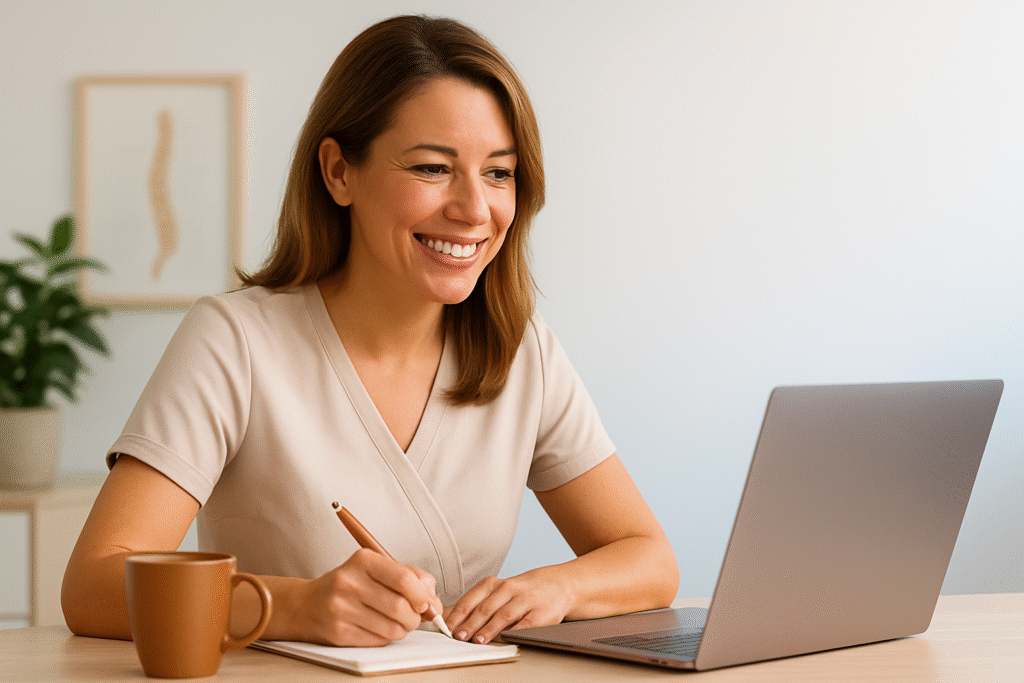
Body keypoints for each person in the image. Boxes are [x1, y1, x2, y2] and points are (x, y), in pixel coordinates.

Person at [62, 14, 678, 647]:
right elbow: (93, 588)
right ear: (339, 173)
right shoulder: (234, 341)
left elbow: (650, 560)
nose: (474, 210)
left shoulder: (521, 352)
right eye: (432, 169)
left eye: (499, 173)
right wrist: (294, 606)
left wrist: (557, 588)